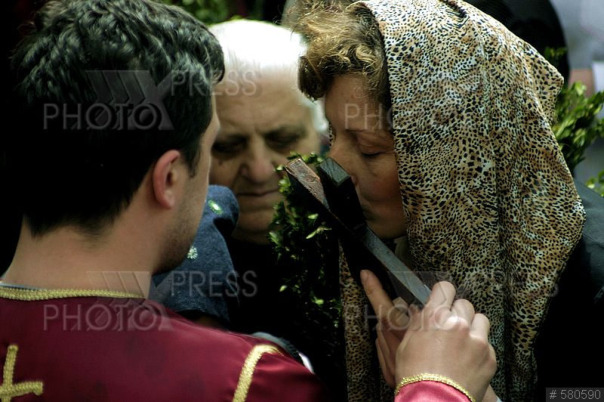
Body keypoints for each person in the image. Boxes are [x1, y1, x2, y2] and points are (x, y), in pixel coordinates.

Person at [0, 0, 497, 400]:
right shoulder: (249, 384)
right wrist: (436, 386)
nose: (261, 172)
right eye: (219, 148)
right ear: (169, 178)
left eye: (282, 140)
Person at [295, 0, 592, 400]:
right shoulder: (351, 247)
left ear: (454, 164)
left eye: (368, 150)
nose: (336, 164)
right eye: (333, 134)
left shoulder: (589, 287)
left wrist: (442, 388)